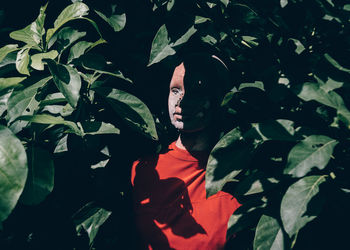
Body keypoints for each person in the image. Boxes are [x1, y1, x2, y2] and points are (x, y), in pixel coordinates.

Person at [131, 53, 241, 249]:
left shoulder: (238, 173)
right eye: (175, 90)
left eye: (196, 90)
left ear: (218, 99)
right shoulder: (143, 170)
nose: (181, 101)